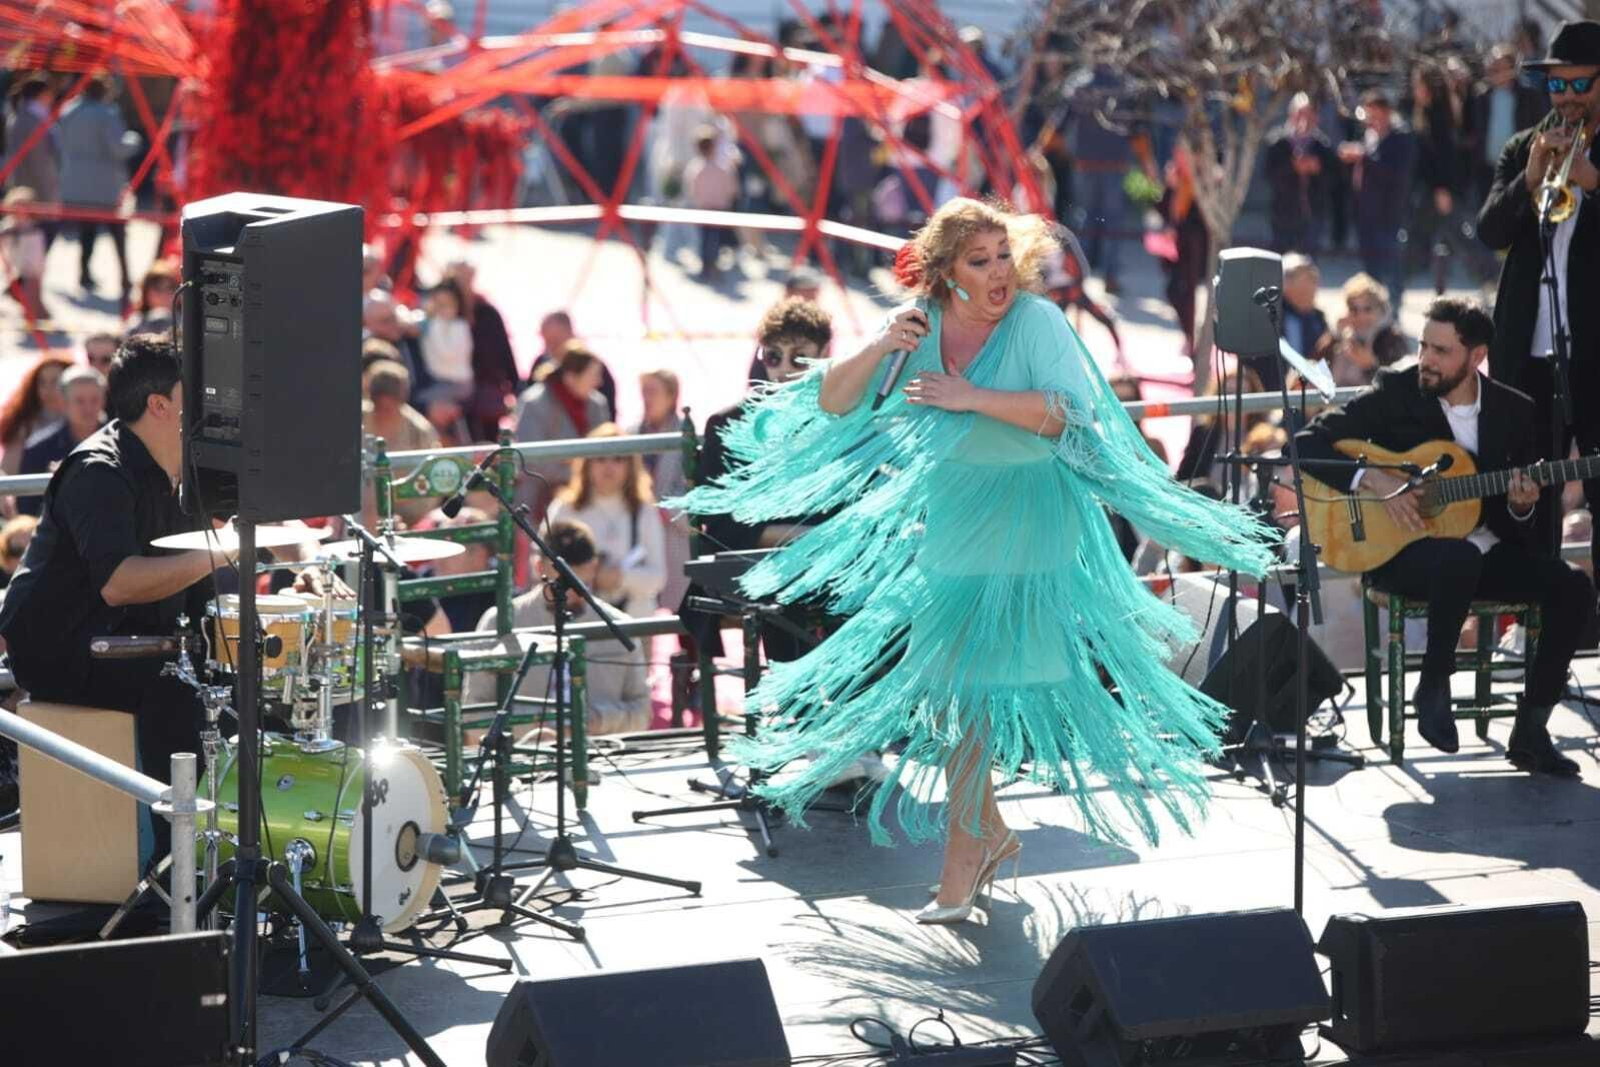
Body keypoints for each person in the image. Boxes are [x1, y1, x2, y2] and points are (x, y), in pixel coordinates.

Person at [676, 198, 1272, 923]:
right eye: (978, 261)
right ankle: (987, 835)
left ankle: (963, 860)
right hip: (956, 512)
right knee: (956, 688)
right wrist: (878, 347)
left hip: (1029, 510)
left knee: (972, 687)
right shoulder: (921, 325)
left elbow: (1065, 414)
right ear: (944, 273)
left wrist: (972, 396)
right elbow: (836, 403)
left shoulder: (1037, 321)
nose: (998, 273)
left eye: (1002, 256)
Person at [1293, 298, 1594, 774]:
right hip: (1402, 553)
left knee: (1573, 584)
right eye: (1423, 345)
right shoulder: (1397, 392)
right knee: (1457, 559)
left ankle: (1532, 729)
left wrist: (1521, 506)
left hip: (1483, 553)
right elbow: (1304, 443)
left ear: (1476, 357)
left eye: (1441, 350)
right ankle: (1434, 684)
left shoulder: (1516, 411)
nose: (1426, 359)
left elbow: (1521, 523)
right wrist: (1372, 478)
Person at [0, 339, 224, 856]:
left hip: (124, 636)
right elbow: (119, 582)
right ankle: (173, 869)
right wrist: (219, 552)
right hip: (61, 649)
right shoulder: (98, 471)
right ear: (160, 406)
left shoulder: (179, 468)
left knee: (230, 680)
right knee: (176, 694)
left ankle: (214, 854)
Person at [1479, 19, 1600, 565]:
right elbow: (1490, 232)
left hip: (1593, 357)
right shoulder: (1524, 148)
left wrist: (1592, 182)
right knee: (1532, 501)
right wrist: (1528, 179)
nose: (1568, 99)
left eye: (1580, 85)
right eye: (1558, 86)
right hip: (1530, 359)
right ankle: (1545, 629)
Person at [464, 519, 651, 736]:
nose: (568, 594)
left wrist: (595, 721)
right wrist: (532, 731)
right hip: (520, 760)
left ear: (593, 568)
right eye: (559, 585)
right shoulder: (500, 621)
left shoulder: (619, 626)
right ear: (538, 567)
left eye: (577, 583)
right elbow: (472, 711)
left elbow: (641, 713)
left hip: (601, 756)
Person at [548, 423, 666, 615]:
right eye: (600, 458)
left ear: (631, 465)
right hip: (579, 618)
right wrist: (587, 576)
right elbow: (544, 566)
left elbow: (658, 577)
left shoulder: (644, 510)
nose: (609, 467)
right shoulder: (565, 508)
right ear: (586, 464)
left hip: (634, 620)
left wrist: (621, 578)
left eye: (618, 459)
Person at [58, 75, 136, 303]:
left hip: (74, 182)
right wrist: (134, 140)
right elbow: (118, 147)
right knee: (117, 232)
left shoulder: (69, 111)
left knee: (86, 230)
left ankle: (84, 274)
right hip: (103, 185)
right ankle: (125, 278)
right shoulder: (106, 114)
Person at [1338, 89, 1415, 309]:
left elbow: (1394, 171)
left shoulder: (1401, 137)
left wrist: (1363, 156)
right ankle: (1375, 310)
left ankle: (1394, 310)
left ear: (1386, 112)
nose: (1370, 119)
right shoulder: (1368, 135)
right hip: (1365, 212)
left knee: (1392, 266)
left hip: (1389, 212)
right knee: (1371, 268)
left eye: (1374, 114)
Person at [513, 343, 610, 512]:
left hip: (586, 499)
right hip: (537, 500)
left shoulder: (597, 406)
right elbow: (531, 458)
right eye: (592, 375)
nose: (599, 382)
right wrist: (579, 470)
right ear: (571, 377)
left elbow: (603, 452)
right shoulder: (534, 403)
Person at [635, 368, 691, 616]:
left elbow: (692, 486)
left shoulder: (686, 436)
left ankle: (692, 652)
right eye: (644, 391)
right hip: (638, 529)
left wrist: (664, 509)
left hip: (672, 529)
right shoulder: (631, 433)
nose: (647, 397)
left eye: (653, 391)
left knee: (684, 603)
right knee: (639, 603)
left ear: (671, 397)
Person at [444, 259, 519, 442]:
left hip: (485, 391)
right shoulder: (445, 313)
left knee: (488, 442)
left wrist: (513, 384)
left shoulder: (487, 311)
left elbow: (504, 349)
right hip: (454, 392)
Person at [18, 364, 106, 516]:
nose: (88, 408)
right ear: (63, 402)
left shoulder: (126, 442)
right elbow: (27, 514)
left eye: (95, 400)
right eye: (79, 401)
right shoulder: (37, 450)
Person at [361, 359, 441, 525]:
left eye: (389, 409)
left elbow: (432, 480)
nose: (384, 414)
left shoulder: (419, 432)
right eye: (380, 409)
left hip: (407, 513)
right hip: (360, 507)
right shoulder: (357, 419)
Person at [1470, 45, 1547, 211]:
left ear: (1511, 69)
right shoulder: (1481, 96)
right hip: (1487, 170)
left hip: (1518, 171)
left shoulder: (1529, 97)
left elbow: (1541, 128)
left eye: (1499, 68)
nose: (1494, 72)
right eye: (1492, 67)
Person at [1264, 92, 1337, 254]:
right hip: (1283, 214)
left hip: (1313, 212)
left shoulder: (1323, 146)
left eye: (1310, 113)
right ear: (1291, 115)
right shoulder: (1277, 141)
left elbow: (1334, 180)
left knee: (1308, 264)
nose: (1305, 119)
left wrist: (1317, 169)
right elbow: (1269, 174)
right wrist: (1293, 167)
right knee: (1282, 263)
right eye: (1301, 113)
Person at [4, 76, 61, 251]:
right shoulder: (30, 119)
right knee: (40, 232)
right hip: (34, 187)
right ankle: (26, 275)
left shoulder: (32, 116)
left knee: (38, 234)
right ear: (42, 94)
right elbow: (37, 160)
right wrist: (45, 191)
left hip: (36, 184)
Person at [1327, 273, 1408, 387]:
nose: (1361, 316)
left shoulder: (1393, 339)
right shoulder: (1336, 337)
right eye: (1354, 309)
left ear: (1380, 310)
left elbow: (1403, 383)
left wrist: (1372, 366)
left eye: (1368, 309)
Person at [530, 311, 616, 417]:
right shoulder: (540, 364)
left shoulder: (593, 366)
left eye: (555, 339)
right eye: (547, 340)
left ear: (570, 333)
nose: (550, 346)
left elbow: (608, 412)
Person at [0, 353, 70, 478]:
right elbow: (8, 475)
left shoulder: (86, 420)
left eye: (55, 381)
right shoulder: (24, 427)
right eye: (42, 382)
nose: (48, 389)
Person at [683, 126, 739, 280]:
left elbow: (692, 189)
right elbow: (731, 188)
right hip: (719, 208)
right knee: (714, 237)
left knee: (705, 237)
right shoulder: (723, 167)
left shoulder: (695, 168)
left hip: (703, 208)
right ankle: (712, 264)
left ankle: (706, 264)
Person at [1278, 254, 1331, 376]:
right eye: (1308, 277)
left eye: (1314, 277)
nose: (1315, 283)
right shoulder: (1272, 317)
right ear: (1285, 284)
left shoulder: (1318, 318)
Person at [0, 187, 48, 319]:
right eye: (16, 207)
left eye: (24, 207)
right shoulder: (7, 225)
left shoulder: (33, 229)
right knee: (25, 298)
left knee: (33, 298)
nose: (19, 211)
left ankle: (41, 317)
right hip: (14, 269)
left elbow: (36, 255)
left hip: (30, 270)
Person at [126, 259, 180, 337]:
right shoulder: (134, 326)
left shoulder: (189, 323)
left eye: (171, 288)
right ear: (145, 292)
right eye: (158, 288)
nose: (164, 294)